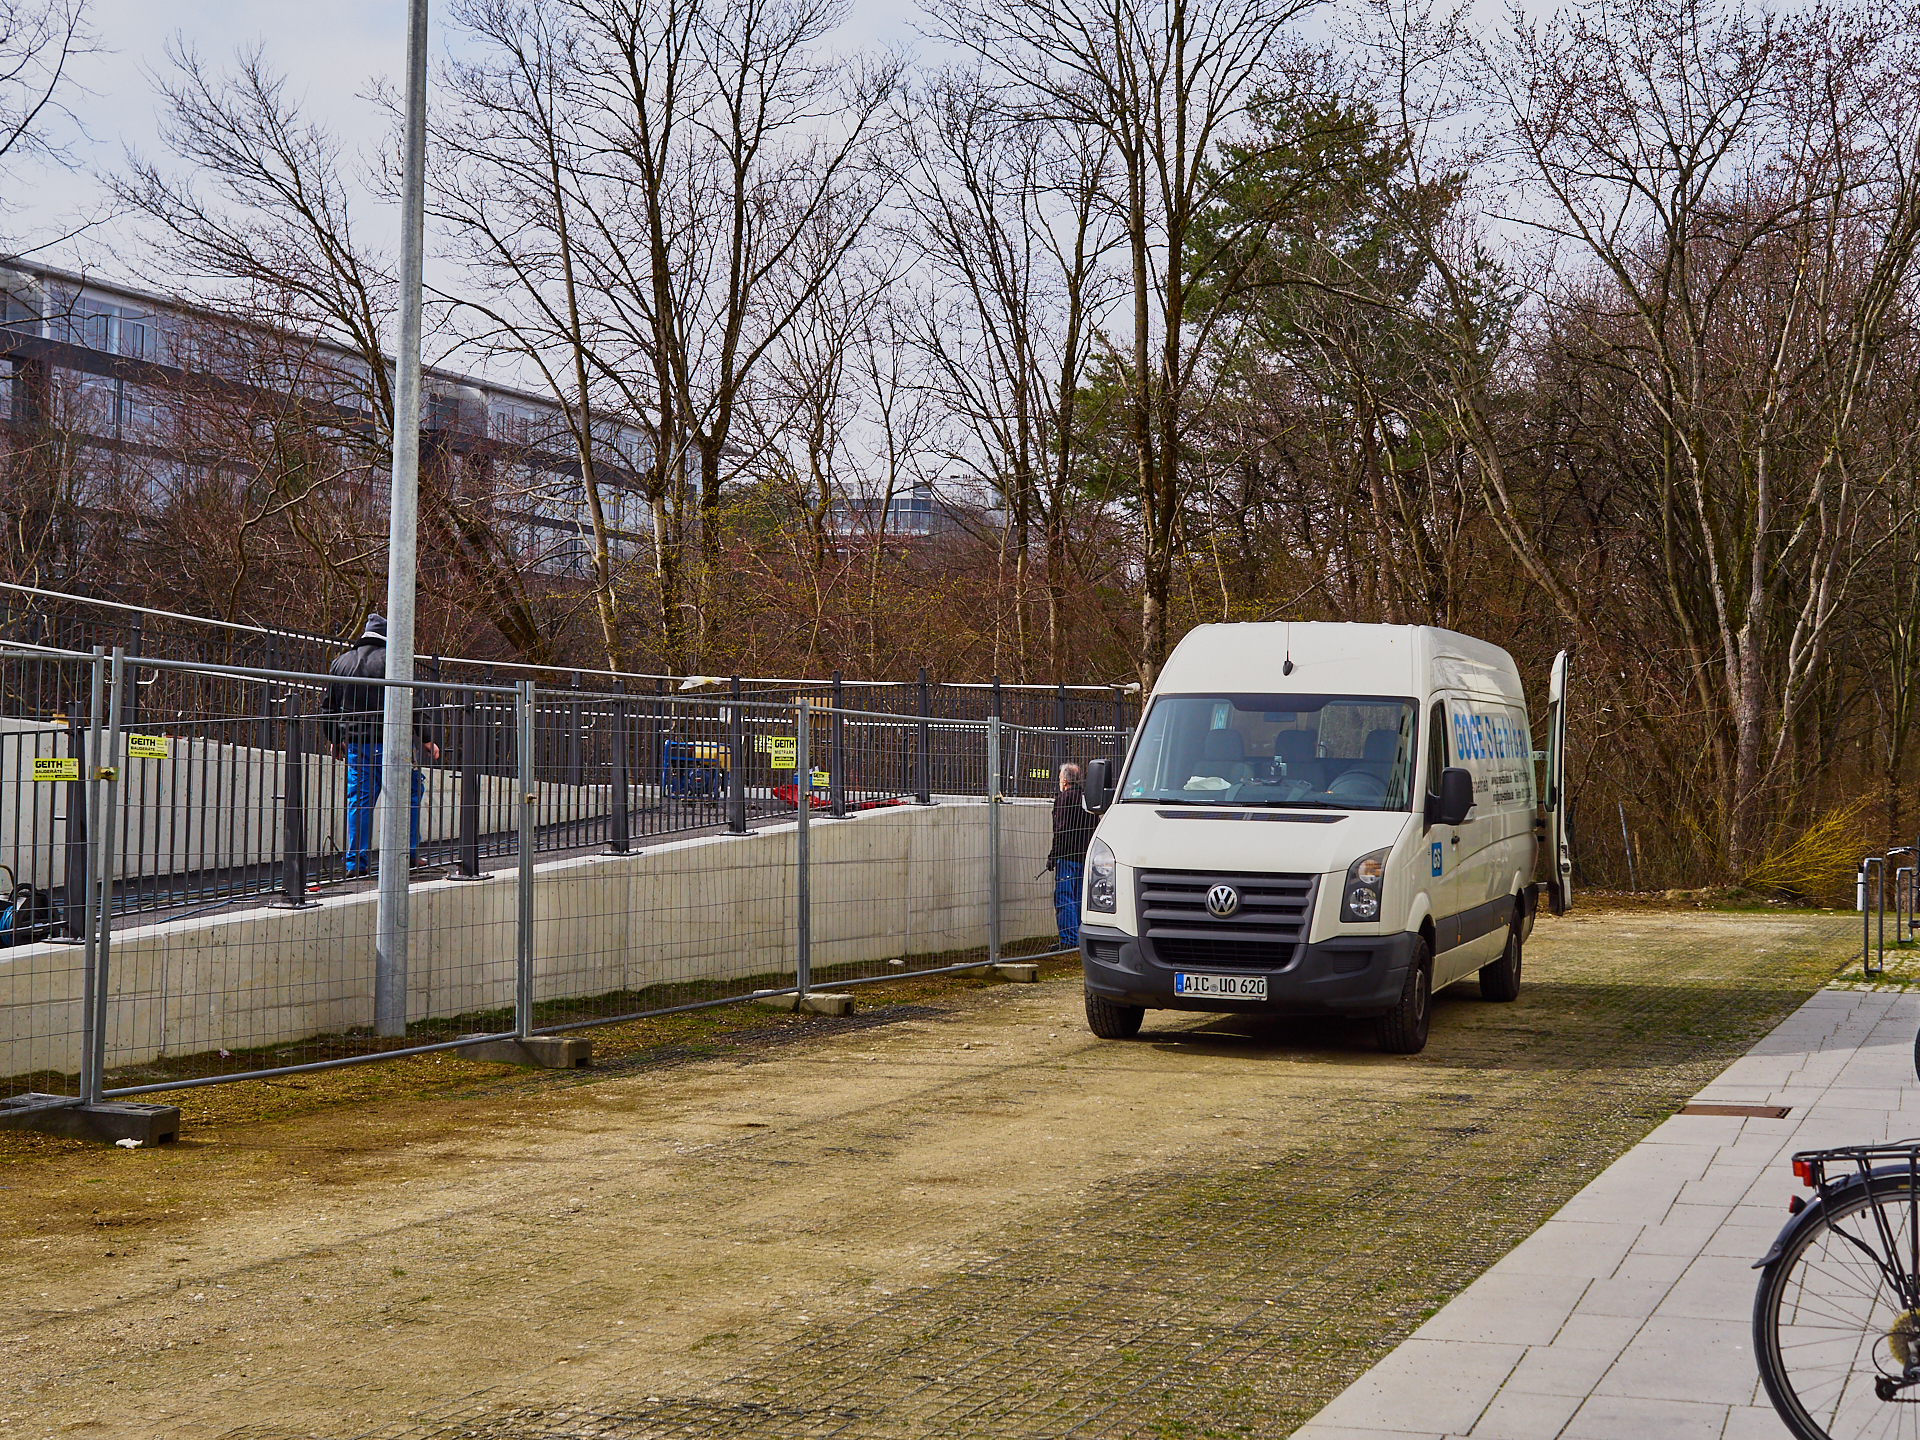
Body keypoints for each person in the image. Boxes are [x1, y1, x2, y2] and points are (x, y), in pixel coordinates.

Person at [320, 614, 440, 876]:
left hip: (357, 744)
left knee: (359, 802)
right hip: (394, 743)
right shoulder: (394, 660)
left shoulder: (341, 663)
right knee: (408, 796)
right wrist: (428, 737)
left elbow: (328, 707)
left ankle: (356, 864)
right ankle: (407, 855)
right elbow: (413, 701)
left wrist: (334, 737)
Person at [1049, 762, 1096, 949]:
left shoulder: (1065, 799)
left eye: (1060, 777)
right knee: (1077, 898)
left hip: (1067, 856)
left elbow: (1060, 830)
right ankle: (1078, 939)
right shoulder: (1086, 800)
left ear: (1065, 780)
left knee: (1064, 898)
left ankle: (1068, 940)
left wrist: (1054, 855)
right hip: (1083, 856)